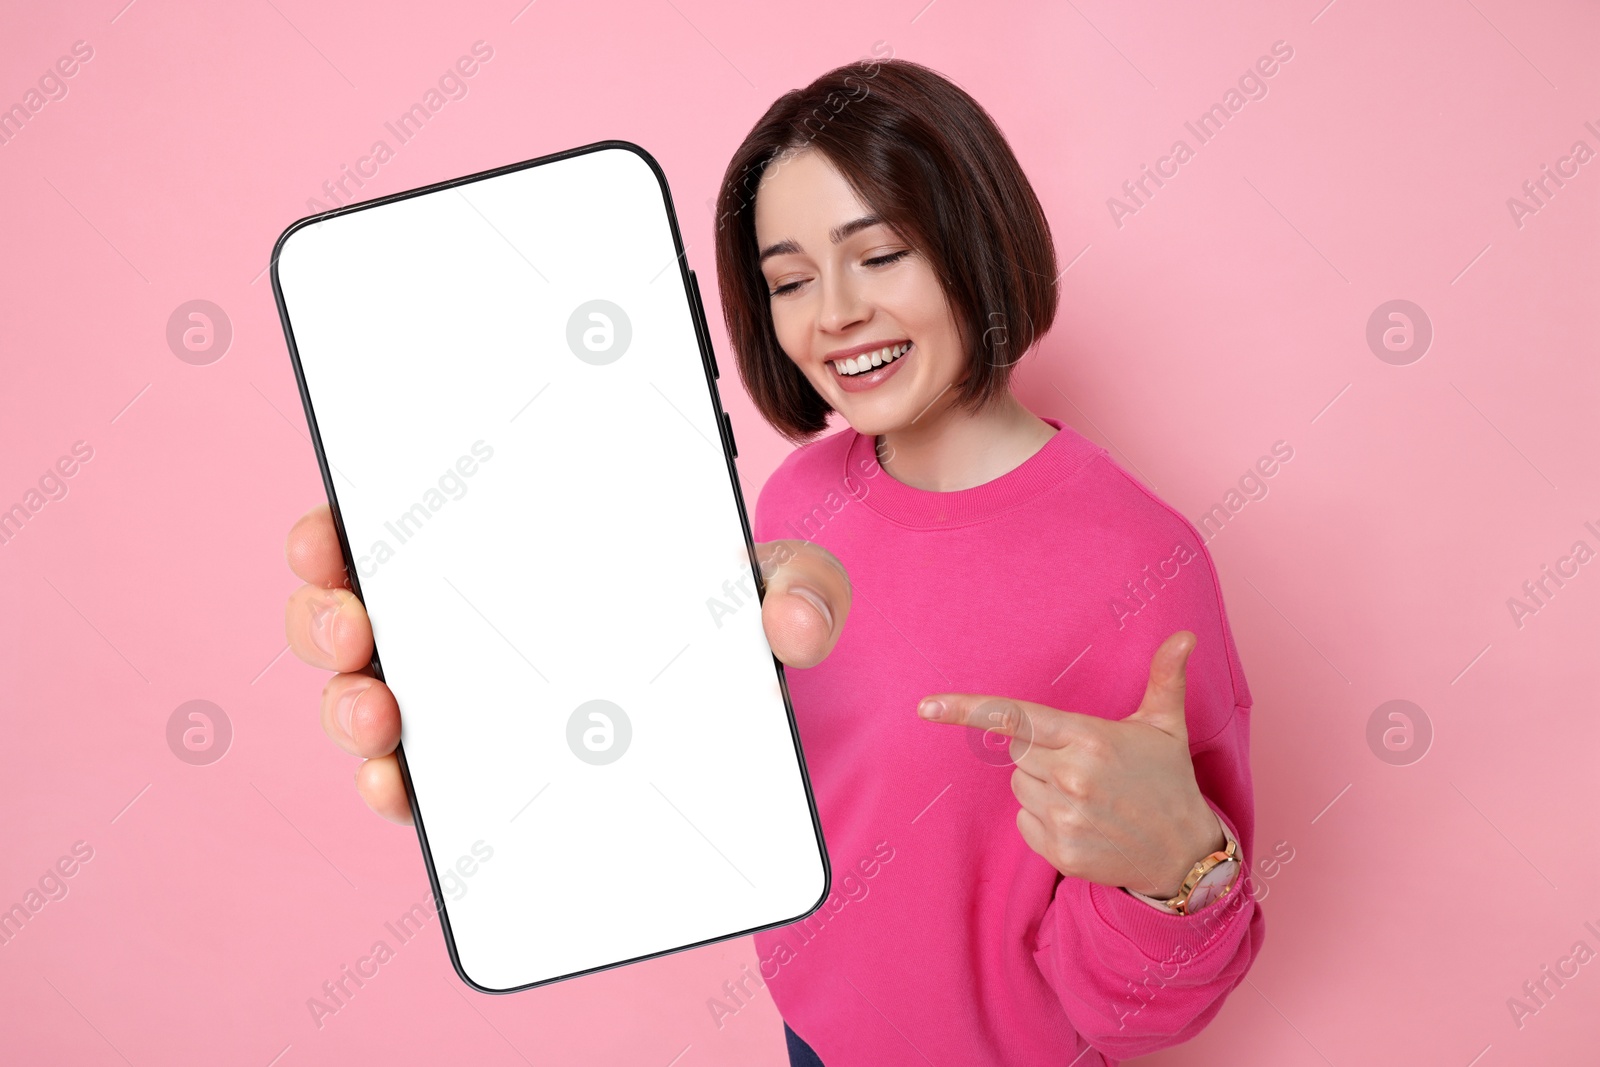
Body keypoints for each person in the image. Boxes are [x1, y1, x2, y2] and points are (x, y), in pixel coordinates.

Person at [284, 56, 1263, 1067]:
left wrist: (1171, 869)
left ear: (977, 241)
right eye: (790, 279)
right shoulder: (796, 499)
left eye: (878, 255)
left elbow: (1140, 1004)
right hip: (809, 1030)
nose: (831, 312)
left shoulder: (1139, 562)